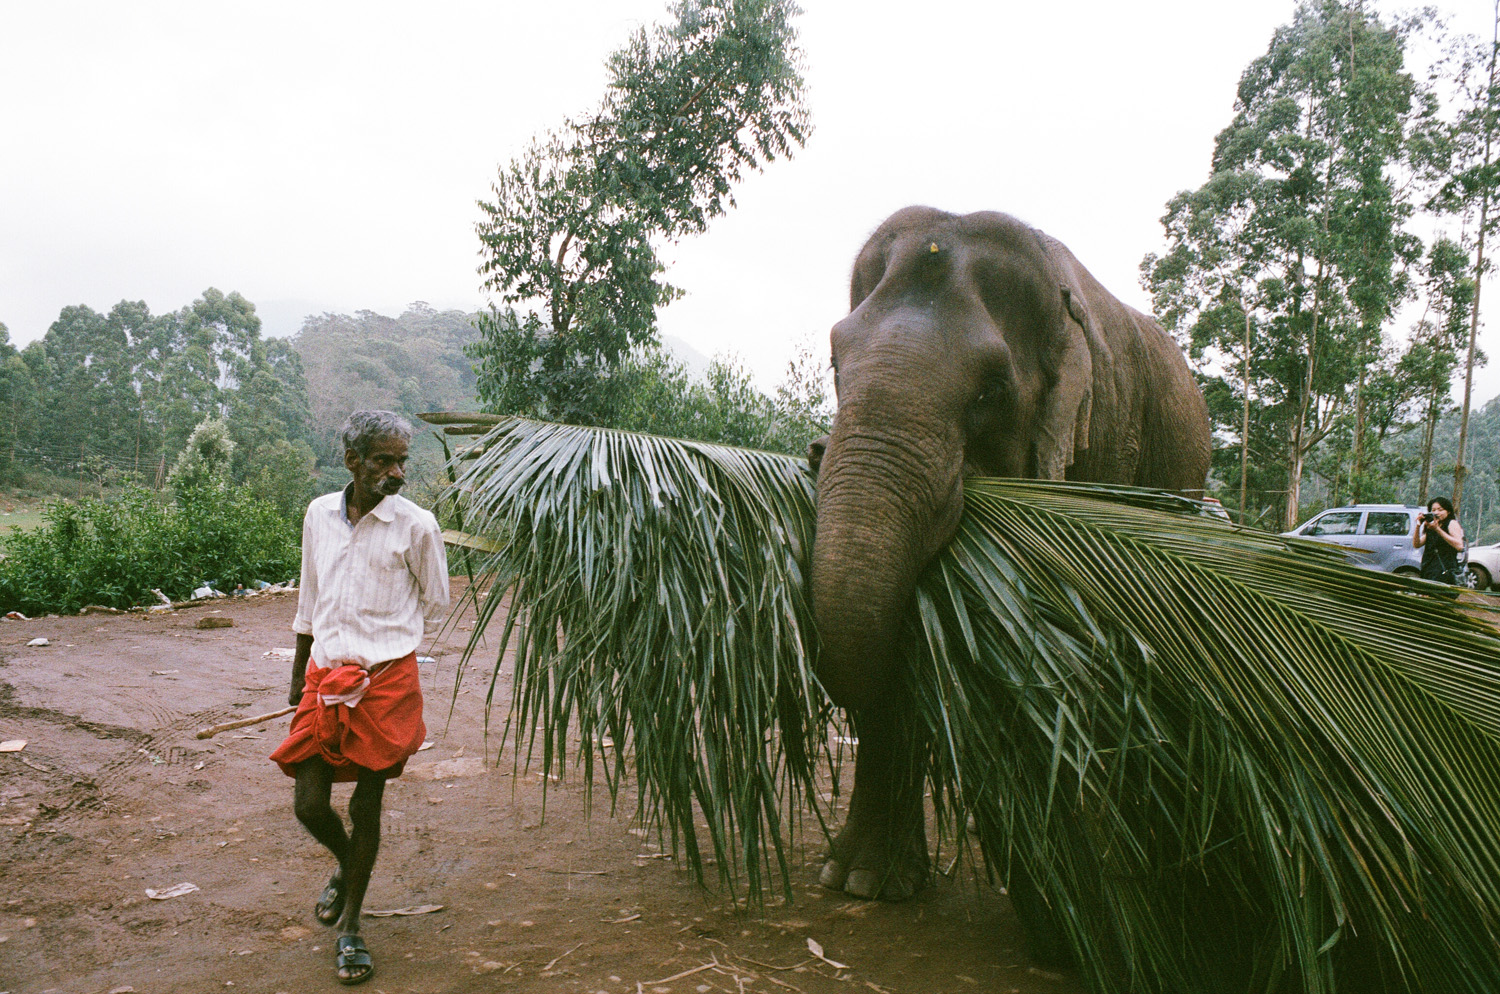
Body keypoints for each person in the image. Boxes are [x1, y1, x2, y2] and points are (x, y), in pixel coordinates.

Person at [269, 410, 449, 985]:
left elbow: (435, 600)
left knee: (366, 806)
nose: (397, 472)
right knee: (309, 804)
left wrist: (385, 646)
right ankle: (350, 866)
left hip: (385, 685)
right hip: (324, 678)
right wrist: (301, 673)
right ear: (352, 460)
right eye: (383, 461)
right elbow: (310, 598)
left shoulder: (417, 525)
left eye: (402, 461)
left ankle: (350, 926)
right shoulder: (319, 514)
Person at [1412, 496, 1465, 585]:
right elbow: (1417, 544)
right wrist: (1418, 525)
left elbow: (1459, 546)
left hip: (1445, 570)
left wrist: (1437, 529)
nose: (1436, 513)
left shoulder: (1451, 523)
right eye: (1433, 510)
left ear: (1448, 511)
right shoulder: (1431, 526)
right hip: (1429, 569)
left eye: (1440, 510)